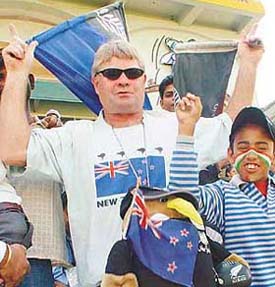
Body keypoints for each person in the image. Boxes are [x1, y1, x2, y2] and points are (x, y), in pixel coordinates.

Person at [0, 24, 262, 286]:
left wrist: (249, 63)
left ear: (143, 79)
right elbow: (13, 148)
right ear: (96, 83)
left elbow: (230, 126)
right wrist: (16, 74)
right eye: (112, 73)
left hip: (176, 278)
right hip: (105, 280)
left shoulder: (177, 124)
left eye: (132, 73)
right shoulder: (73, 137)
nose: (123, 80)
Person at [168, 99, 275, 286]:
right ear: (230, 155)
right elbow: (182, 198)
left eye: (261, 147)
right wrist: (186, 130)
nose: (252, 154)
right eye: (243, 147)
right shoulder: (222, 196)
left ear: (273, 155)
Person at [0, 48, 69, 287]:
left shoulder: (54, 137)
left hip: (40, 255)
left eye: (10, 74)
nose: (5, 82)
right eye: (2, 76)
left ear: (29, 81)